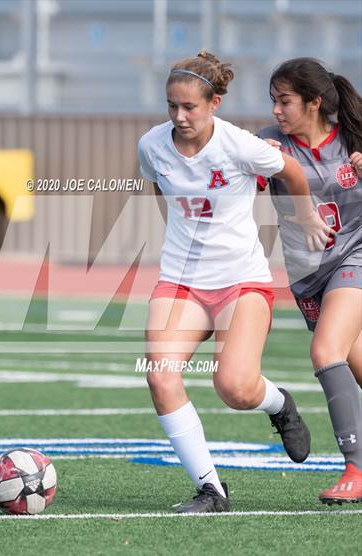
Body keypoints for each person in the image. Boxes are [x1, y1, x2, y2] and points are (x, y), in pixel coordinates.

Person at [137, 51, 332, 513]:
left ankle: (279, 404)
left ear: (215, 103)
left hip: (241, 282)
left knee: (235, 388)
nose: (179, 117)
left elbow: (292, 170)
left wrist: (305, 217)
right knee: (161, 376)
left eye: (190, 108)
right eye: (171, 107)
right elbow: (158, 188)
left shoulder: (240, 145)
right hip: (180, 282)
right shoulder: (151, 146)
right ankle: (211, 490)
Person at [258, 57, 362, 505]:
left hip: (354, 257)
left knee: (325, 351)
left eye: (285, 101)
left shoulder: (354, 142)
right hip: (308, 278)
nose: (277, 111)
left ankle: (356, 468)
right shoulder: (269, 144)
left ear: (315, 102)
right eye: (273, 101)